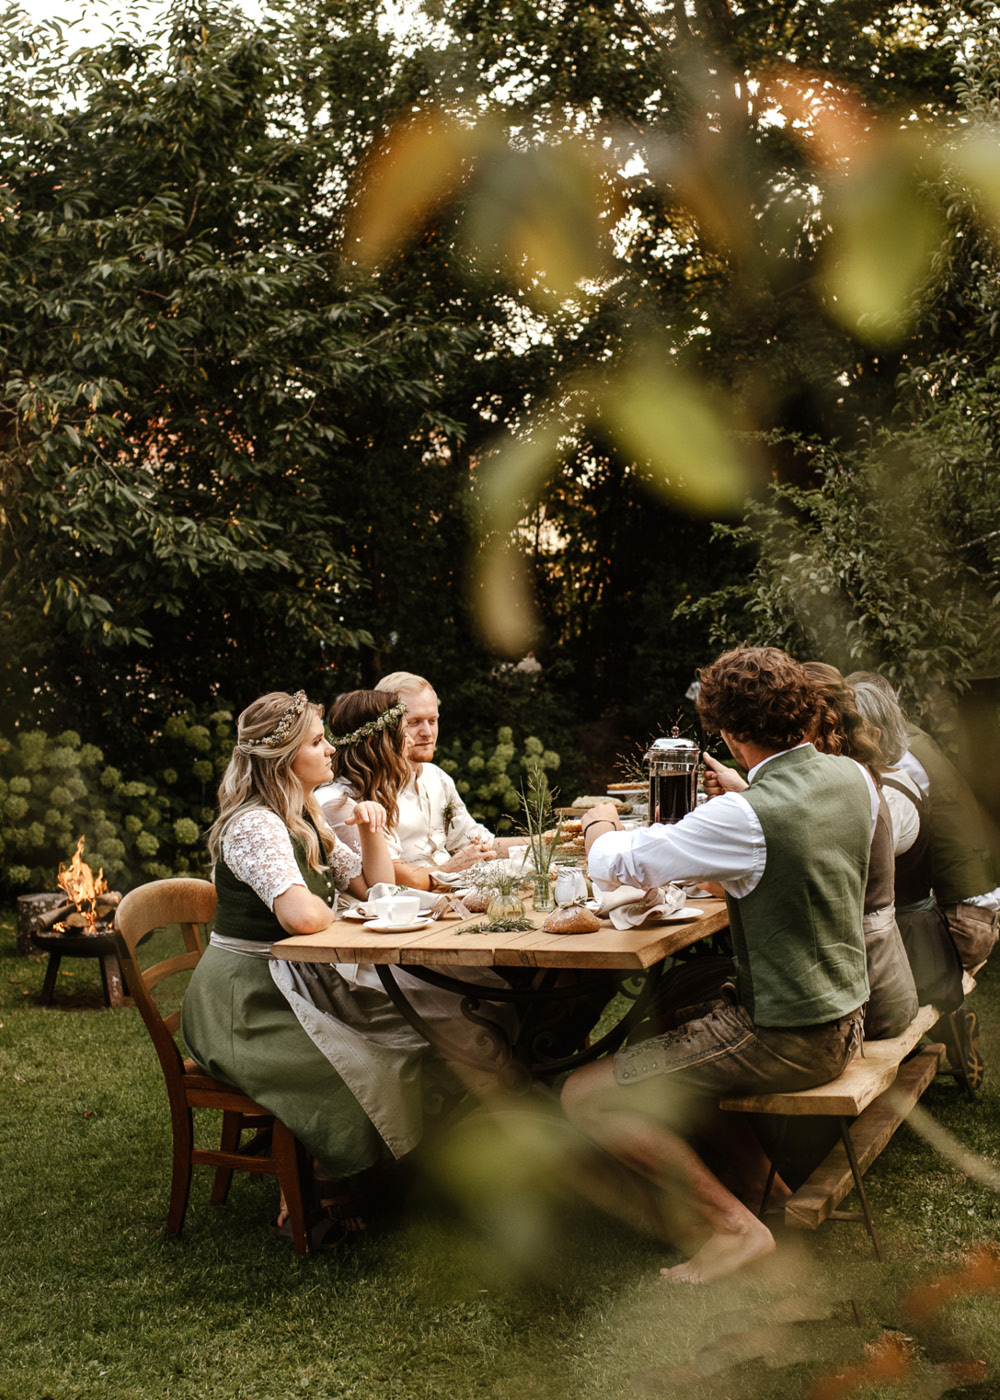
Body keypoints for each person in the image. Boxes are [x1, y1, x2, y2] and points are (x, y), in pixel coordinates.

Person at [560, 647, 872, 1285]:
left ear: (726, 732)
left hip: (789, 1035)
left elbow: (616, 862)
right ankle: (771, 1195)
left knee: (583, 1097)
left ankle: (734, 1230)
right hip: (847, 1015)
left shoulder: (746, 816)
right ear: (804, 707)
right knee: (675, 1026)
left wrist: (598, 821)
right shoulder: (850, 779)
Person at [180, 690, 461, 1244]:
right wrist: (339, 909)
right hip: (243, 1002)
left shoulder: (304, 814)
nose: (330, 749)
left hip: (292, 981)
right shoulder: (257, 825)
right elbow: (303, 916)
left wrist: (370, 828)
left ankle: (376, 1174)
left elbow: (372, 888)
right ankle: (320, 1179)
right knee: (364, 1060)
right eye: (316, 742)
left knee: (409, 1033)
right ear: (284, 758)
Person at [376, 670, 518, 884]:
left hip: (457, 892)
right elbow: (388, 875)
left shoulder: (437, 777)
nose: (427, 732)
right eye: (414, 723)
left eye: (432, 720)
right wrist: (448, 870)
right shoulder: (370, 787)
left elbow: (479, 842)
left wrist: (544, 843)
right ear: (385, 725)